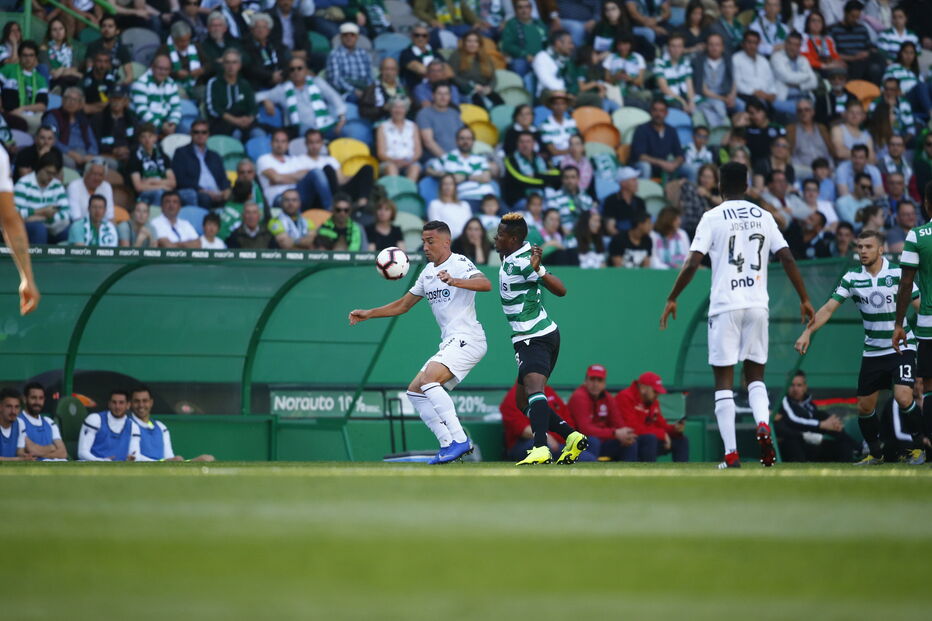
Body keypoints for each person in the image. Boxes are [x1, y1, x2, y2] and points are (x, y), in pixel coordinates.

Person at [660, 161, 815, 469]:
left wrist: (673, 297)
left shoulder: (712, 217)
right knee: (755, 377)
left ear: (719, 186)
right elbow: (785, 257)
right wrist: (804, 298)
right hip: (758, 304)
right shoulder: (764, 216)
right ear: (746, 186)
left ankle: (731, 454)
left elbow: (692, 263)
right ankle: (762, 423)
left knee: (724, 383)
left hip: (725, 305)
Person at [349, 220, 491, 464]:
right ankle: (447, 444)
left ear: (446, 242)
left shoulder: (458, 263)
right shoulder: (427, 272)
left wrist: (455, 281)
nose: (425, 246)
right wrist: (369, 313)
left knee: (429, 380)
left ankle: (460, 440)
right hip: (451, 341)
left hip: (469, 338)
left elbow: (485, 284)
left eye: (430, 241)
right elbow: (403, 305)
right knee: (415, 391)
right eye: (423, 241)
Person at [797, 229, 925, 465]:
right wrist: (807, 332)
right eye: (860, 247)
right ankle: (876, 454)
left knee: (904, 396)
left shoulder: (898, 274)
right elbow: (827, 309)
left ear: (881, 249)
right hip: (873, 351)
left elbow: (919, 307)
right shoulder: (852, 277)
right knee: (864, 407)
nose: (863, 251)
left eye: (868, 246)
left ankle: (919, 448)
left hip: (901, 347)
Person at [493, 212, 589, 465]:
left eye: (500, 235)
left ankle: (540, 447)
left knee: (535, 390)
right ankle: (571, 436)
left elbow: (561, 290)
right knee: (522, 400)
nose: (495, 237)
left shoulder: (524, 262)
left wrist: (539, 271)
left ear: (512, 239)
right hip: (539, 335)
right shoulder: (515, 254)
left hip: (533, 336)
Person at [894, 182, 932, 464]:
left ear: (926, 204)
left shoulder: (917, 235)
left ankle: (929, 450)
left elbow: (906, 282)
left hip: (929, 324)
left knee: (928, 387)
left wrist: (898, 323)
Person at [773, 370, 861, 462]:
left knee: (840, 440)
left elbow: (815, 421)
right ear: (787, 386)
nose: (795, 389)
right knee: (794, 440)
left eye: (799, 385)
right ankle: (859, 448)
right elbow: (793, 419)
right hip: (793, 441)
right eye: (792, 385)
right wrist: (821, 424)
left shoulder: (809, 405)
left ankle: (857, 450)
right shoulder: (783, 400)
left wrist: (831, 425)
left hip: (814, 441)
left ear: (805, 387)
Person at [256, 57, 346, 139]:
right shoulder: (282, 89)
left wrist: (341, 118)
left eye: (299, 68)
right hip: (303, 132)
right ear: (289, 73)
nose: (296, 72)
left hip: (325, 126)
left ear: (306, 70)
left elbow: (335, 98)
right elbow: (256, 96)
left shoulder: (317, 82)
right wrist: (265, 100)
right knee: (305, 130)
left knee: (347, 131)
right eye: (292, 69)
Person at [568, 364, 639, 460]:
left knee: (629, 442)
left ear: (604, 383)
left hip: (603, 440)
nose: (596, 384)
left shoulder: (608, 398)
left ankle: (628, 473)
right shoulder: (579, 396)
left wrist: (624, 435)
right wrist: (614, 433)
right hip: (578, 442)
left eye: (599, 380)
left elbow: (618, 423)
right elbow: (586, 430)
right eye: (592, 379)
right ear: (585, 381)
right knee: (593, 441)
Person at [294, 128, 375, 211]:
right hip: (318, 196)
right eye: (311, 142)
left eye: (317, 142)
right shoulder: (298, 160)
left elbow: (341, 179)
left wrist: (357, 179)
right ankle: (335, 206)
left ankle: (362, 204)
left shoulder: (330, 159)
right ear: (306, 143)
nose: (314, 146)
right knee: (327, 169)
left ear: (322, 143)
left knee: (367, 168)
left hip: (337, 190)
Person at [615, 371, 688, 461]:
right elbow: (632, 428)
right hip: (630, 441)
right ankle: (649, 473)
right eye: (655, 391)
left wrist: (674, 429)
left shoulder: (653, 401)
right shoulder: (625, 397)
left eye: (658, 392)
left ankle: (683, 473)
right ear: (643, 388)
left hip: (649, 439)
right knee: (650, 439)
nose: (657, 395)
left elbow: (661, 424)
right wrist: (662, 434)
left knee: (681, 440)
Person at [130, 386, 215, 462]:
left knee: (207, 459)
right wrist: (165, 462)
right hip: (146, 473)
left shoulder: (161, 427)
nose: (141, 405)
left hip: (162, 471)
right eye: (137, 401)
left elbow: (170, 459)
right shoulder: (127, 425)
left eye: (145, 401)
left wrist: (192, 461)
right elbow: (135, 458)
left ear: (151, 402)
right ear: (130, 403)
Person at [500, 383, 580, 461]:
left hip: (559, 443)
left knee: (586, 453)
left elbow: (567, 420)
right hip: (527, 443)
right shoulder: (514, 395)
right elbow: (521, 429)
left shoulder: (548, 391)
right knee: (542, 449)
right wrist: (546, 437)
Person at [172, 120, 232, 209]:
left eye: (204, 132)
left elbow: (223, 178)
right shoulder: (181, 153)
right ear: (191, 134)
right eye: (196, 132)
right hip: (197, 192)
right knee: (205, 198)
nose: (200, 135)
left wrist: (226, 190)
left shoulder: (215, 156)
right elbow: (181, 179)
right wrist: (202, 190)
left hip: (218, 192)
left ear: (208, 134)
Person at [14, 150, 70, 245]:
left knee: (71, 230)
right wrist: (42, 211)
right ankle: (39, 260)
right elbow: (15, 214)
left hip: (51, 226)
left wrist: (40, 218)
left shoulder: (57, 185)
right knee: (39, 228)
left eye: (54, 174)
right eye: (48, 173)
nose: (51, 177)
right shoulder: (23, 184)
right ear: (39, 168)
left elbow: (66, 214)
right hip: (25, 228)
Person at [429, 126, 494, 205]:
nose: (465, 141)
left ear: (473, 141)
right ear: (456, 141)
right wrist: (448, 176)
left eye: (468, 138)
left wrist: (465, 177)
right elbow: (429, 170)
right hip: (466, 198)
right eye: (462, 138)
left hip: (488, 197)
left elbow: (486, 178)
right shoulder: (448, 157)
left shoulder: (480, 158)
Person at [205, 48, 257, 140]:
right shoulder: (214, 83)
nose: (231, 66)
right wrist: (235, 120)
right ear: (223, 65)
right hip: (222, 123)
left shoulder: (245, 84)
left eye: (234, 62)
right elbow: (213, 108)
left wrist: (249, 119)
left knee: (258, 133)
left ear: (239, 65)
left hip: (244, 122)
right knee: (236, 134)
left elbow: (253, 107)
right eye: (227, 62)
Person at [42, 86, 98, 170]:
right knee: (70, 163)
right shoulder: (53, 116)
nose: (71, 102)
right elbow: (52, 140)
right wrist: (70, 153)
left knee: (102, 163)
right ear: (63, 100)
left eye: (75, 100)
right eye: (68, 99)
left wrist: (90, 154)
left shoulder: (83, 119)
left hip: (84, 153)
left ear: (80, 104)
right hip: (62, 152)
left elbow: (92, 141)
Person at [77, 390, 142, 461]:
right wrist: (103, 461)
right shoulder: (95, 419)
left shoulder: (133, 427)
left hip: (119, 470)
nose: (117, 406)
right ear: (109, 404)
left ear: (128, 405)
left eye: (121, 403)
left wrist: (133, 458)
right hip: (92, 468)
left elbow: (135, 455)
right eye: (114, 402)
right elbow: (82, 453)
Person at [829, 0, 883, 84]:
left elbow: (870, 47)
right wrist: (853, 58)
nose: (855, 20)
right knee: (858, 65)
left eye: (857, 17)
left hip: (863, 60)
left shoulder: (862, 29)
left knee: (877, 60)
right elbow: (832, 53)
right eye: (852, 16)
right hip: (846, 61)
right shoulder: (834, 30)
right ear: (845, 13)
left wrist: (867, 53)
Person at [502, 130, 561, 207]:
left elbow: (557, 174)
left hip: (542, 196)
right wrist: (546, 181)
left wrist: (535, 175)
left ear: (534, 144)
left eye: (528, 141)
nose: (525, 145)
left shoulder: (541, 158)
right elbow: (521, 180)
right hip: (521, 198)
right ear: (517, 144)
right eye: (521, 142)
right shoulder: (510, 160)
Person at [693, 33, 739, 129]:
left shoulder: (728, 59)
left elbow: (733, 81)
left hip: (726, 94)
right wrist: (723, 99)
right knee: (719, 106)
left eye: (717, 45)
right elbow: (703, 90)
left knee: (742, 106)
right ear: (706, 46)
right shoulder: (699, 61)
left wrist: (732, 96)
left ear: (722, 47)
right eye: (711, 45)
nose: (714, 48)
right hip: (708, 96)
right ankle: (720, 131)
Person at [0, 41, 49, 132]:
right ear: (19, 56)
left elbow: (42, 105)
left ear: (35, 57)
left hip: (28, 113)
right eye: (25, 55)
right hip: (7, 112)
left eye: (31, 55)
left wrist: (22, 109)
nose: (28, 59)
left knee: (45, 121)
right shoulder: (9, 69)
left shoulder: (40, 79)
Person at [630, 98, 684, 181]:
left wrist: (674, 164)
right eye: (655, 110)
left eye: (661, 111)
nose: (658, 114)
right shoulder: (641, 129)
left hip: (665, 167)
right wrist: (662, 163)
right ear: (650, 112)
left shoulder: (671, 130)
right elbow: (640, 156)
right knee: (645, 166)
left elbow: (680, 154)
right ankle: (644, 193)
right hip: (645, 165)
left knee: (690, 169)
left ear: (666, 113)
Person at [770, 32, 819, 119]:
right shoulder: (777, 57)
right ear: (785, 44)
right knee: (801, 110)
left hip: (806, 97)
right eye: (790, 44)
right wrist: (807, 76)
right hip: (786, 99)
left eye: (796, 45)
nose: (793, 48)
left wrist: (799, 85)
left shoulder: (803, 59)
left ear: (800, 47)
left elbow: (814, 82)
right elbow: (787, 77)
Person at [131, 54, 181, 136]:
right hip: (147, 123)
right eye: (160, 68)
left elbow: (176, 107)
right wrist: (161, 125)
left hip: (166, 121)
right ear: (152, 67)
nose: (163, 72)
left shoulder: (171, 83)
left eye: (166, 69)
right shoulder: (141, 83)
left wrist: (173, 123)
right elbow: (142, 110)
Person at [448, 29, 501, 108]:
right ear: (464, 43)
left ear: (479, 44)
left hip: (484, 90)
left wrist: (489, 87)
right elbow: (452, 76)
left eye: (475, 41)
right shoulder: (456, 56)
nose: (472, 44)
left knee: (500, 105)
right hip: (466, 90)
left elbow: (493, 78)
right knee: (481, 106)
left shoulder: (486, 57)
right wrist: (472, 86)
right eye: (469, 41)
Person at [129, 123, 176, 207]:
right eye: (143, 137)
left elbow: (173, 182)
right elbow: (138, 187)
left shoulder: (163, 156)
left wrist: (152, 181)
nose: (147, 140)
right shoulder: (135, 158)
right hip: (145, 194)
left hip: (162, 189)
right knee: (159, 193)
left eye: (150, 136)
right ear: (139, 139)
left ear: (155, 137)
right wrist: (162, 186)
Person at [500, 0, 548, 81]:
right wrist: (525, 55)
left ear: (531, 9)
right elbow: (507, 45)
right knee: (519, 65)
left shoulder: (539, 24)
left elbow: (547, 43)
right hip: (522, 59)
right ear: (516, 10)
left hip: (541, 59)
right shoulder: (511, 24)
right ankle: (519, 91)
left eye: (527, 7)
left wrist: (542, 57)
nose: (524, 10)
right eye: (520, 8)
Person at [326, 22, 374, 103]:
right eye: (345, 35)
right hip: (344, 93)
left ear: (357, 37)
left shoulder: (363, 54)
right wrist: (354, 91)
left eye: (352, 35)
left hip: (364, 90)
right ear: (341, 37)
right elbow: (335, 80)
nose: (349, 38)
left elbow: (370, 76)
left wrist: (368, 91)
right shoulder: (334, 55)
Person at [18, 382, 67, 460]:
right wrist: (51, 447)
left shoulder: (49, 422)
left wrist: (42, 454)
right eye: (33, 398)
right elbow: (32, 450)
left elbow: (63, 453)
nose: (37, 402)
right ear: (24, 399)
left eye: (41, 398)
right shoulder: (18, 421)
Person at [416, 83, 463, 160]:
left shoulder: (455, 113)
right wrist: (448, 159)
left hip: (458, 157)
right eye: (439, 94)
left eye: (446, 94)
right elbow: (428, 142)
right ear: (433, 95)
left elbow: (462, 137)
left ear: (450, 96)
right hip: (436, 159)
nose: (443, 97)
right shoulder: (424, 114)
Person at [546, 165, 594, 239]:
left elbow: (592, 219)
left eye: (573, 177)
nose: (570, 181)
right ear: (562, 179)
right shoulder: (554, 198)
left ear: (578, 179)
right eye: (566, 178)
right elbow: (550, 220)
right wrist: (561, 228)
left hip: (584, 236)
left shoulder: (586, 198)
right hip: (562, 236)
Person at [653, 33, 696, 115]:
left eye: (679, 46)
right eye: (673, 46)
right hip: (669, 98)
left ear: (683, 48)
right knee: (679, 106)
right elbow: (664, 88)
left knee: (699, 106)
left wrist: (691, 101)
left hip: (685, 96)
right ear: (668, 48)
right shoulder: (660, 62)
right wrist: (682, 101)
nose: (676, 49)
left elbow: (690, 85)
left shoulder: (686, 62)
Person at [84, 16, 134, 85]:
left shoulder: (122, 49)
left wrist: (118, 86)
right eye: (104, 26)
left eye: (110, 26)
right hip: (94, 83)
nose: (106, 29)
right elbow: (89, 70)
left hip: (115, 84)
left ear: (117, 31)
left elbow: (129, 76)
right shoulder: (93, 46)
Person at [732, 31, 776, 109]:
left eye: (755, 43)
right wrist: (754, 92)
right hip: (746, 96)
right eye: (749, 42)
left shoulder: (763, 61)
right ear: (743, 44)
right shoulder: (736, 59)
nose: (752, 46)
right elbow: (737, 84)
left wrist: (772, 93)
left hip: (766, 96)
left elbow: (771, 81)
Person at [360, 58, 408, 123]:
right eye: (386, 69)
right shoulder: (372, 88)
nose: (389, 72)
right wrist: (382, 108)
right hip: (381, 124)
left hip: (403, 125)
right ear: (380, 70)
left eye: (392, 69)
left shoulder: (403, 88)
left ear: (397, 71)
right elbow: (364, 112)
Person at [428, 173, 473, 240]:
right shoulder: (435, 204)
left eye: (451, 184)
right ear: (441, 187)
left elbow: (471, 225)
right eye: (445, 184)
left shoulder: (465, 205)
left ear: (455, 187)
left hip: (467, 240)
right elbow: (435, 228)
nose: (448, 187)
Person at [539, 90, 578, 165]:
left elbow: (577, 143)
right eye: (556, 104)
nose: (559, 107)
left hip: (575, 158)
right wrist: (573, 150)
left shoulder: (572, 122)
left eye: (562, 103)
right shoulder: (545, 126)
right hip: (558, 162)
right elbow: (553, 152)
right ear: (551, 106)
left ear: (566, 106)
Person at [532, 30, 576, 96]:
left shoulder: (567, 59)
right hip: (548, 95)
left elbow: (574, 82)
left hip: (568, 94)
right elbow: (546, 81)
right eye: (569, 43)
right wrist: (566, 92)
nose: (572, 46)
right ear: (558, 43)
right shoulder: (542, 56)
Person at [399, 24, 440, 90]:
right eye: (417, 35)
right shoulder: (406, 53)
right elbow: (422, 70)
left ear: (428, 38)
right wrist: (440, 72)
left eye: (424, 36)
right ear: (412, 37)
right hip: (419, 88)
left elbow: (449, 72)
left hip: (439, 87)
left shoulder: (435, 52)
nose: (420, 38)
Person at [81, 50, 118, 116]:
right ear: (94, 62)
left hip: (106, 114)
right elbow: (80, 102)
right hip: (86, 114)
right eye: (99, 61)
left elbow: (112, 101)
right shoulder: (85, 78)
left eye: (105, 62)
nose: (102, 65)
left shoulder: (112, 79)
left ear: (109, 64)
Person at [0, 388, 31, 460]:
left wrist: (25, 456)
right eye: (9, 406)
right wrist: (18, 459)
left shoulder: (20, 423)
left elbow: (19, 451)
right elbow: (18, 458)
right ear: (0, 407)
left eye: (16, 407)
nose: (13, 411)